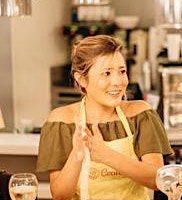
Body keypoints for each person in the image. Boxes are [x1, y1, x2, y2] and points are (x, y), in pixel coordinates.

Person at [36, 35, 173, 200]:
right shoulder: (61, 122)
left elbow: (157, 180)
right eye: (106, 73)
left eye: (122, 71)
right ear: (82, 79)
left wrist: (107, 156)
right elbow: (60, 194)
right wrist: (76, 156)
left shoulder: (140, 114)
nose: (117, 82)